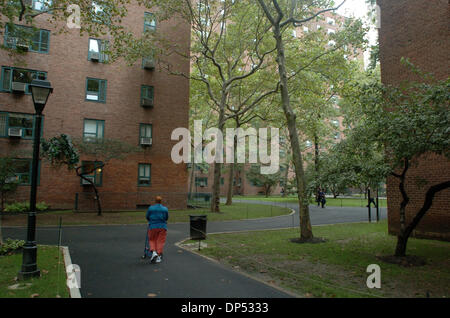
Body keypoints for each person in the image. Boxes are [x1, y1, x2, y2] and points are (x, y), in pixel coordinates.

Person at [144, 196, 169, 263]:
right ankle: (158, 255)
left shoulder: (151, 208)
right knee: (160, 241)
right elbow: (166, 218)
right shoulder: (165, 209)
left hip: (152, 226)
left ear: (155, 201)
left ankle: (154, 252)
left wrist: (151, 221)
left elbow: (147, 216)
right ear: (161, 201)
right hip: (162, 226)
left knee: (152, 239)